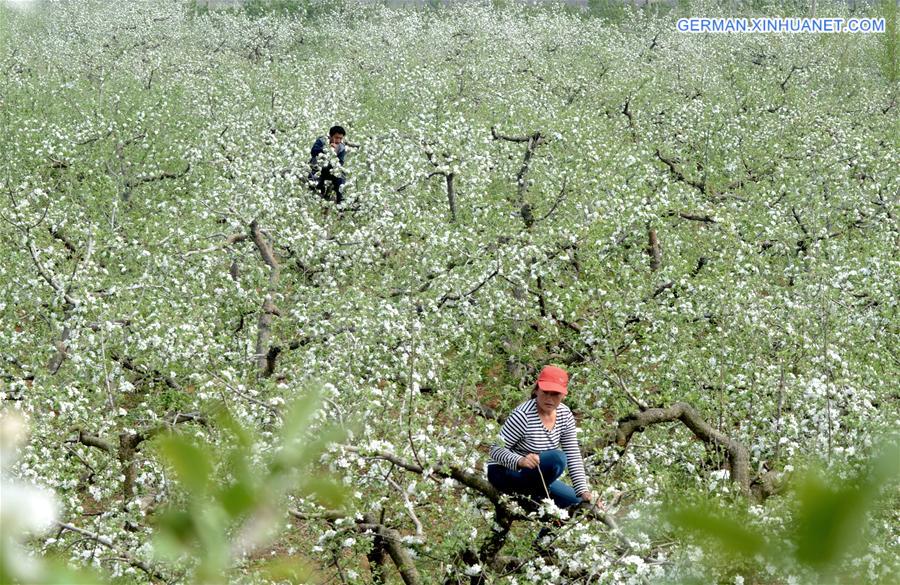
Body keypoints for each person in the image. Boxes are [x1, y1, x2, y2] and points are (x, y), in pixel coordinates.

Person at [487, 365, 595, 512]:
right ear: (537, 389)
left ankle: (545, 529)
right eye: (545, 392)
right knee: (557, 458)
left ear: (564, 395)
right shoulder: (523, 415)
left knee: (577, 504)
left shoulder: (565, 415)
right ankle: (533, 498)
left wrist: (583, 491)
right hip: (505, 472)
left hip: (535, 477)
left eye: (555, 394)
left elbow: (573, 454)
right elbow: (495, 451)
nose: (549, 399)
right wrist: (520, 461)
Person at [309, 125, 347, 202]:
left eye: (340, 138)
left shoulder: (341, 147)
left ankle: (340, 200)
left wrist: (334, 155)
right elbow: (313, 152)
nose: (338, 141)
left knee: (341, 176)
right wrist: (327, 149)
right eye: (336, 138)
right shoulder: (322, 141)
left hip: (330, 170)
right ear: (330, 136)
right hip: (317, 168)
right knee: (315, 185)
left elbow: (341, 162)